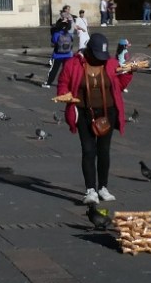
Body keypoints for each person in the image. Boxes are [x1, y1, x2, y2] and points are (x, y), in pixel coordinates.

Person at [57, 32, 133, 205]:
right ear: (89, 51)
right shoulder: (73, 64)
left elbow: (120, 85)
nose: (101, 60)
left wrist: (129, 72)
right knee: (88, 150)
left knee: (103, 151)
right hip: (84, 113)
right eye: (97, 56)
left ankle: (103, 188)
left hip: (108, 113)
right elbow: (63, 84)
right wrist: (64, 95)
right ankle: (90, 190)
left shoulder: (112, 63)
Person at [45, 8, 76, 88]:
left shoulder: (57, 34)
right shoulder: (69, 34)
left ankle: (48, 83)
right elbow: (71, 42)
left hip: (58, 54)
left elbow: (54, 41)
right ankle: (70, 83)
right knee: (68, 70)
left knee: (54, 69)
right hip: (68, 54)